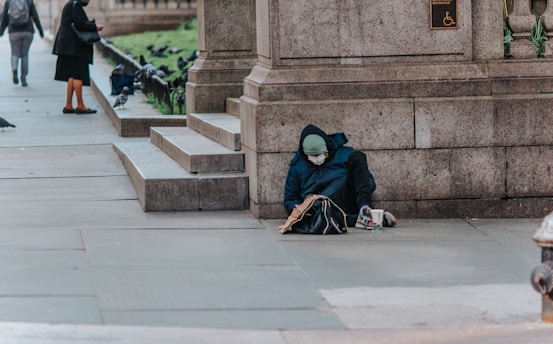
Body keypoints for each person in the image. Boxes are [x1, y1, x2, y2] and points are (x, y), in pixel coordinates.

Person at [284, 124, 397, 230]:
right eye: (313, 156)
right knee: (320, 216)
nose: (317, 158)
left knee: (358, 156)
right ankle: (361, 220)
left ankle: (365, 211)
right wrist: (300, 210)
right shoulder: (297, 166)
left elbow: (369, 183)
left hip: (346, 198)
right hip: (321, 208)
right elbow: (290, 198)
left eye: (319, 154)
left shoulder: (344, 154)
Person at [52, 0, 104, 114]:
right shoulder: (76, 6)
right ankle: (80, 105)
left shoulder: (70, 4)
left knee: (71, 74)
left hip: (66, 44)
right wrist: (95, 27)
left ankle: (68, 105)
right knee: (79, 74)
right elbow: (80, 23)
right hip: (74, 46)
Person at [0, 0, 44, 87]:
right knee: (24, 55)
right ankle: (23, 78)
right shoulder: (28, 1)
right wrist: (40, 31)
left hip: (13, 31)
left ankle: (14, 69)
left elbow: (4, 17)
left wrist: (1, 31)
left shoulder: (9, 1)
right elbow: (35, 16)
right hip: (28, 31)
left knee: (14, 53)